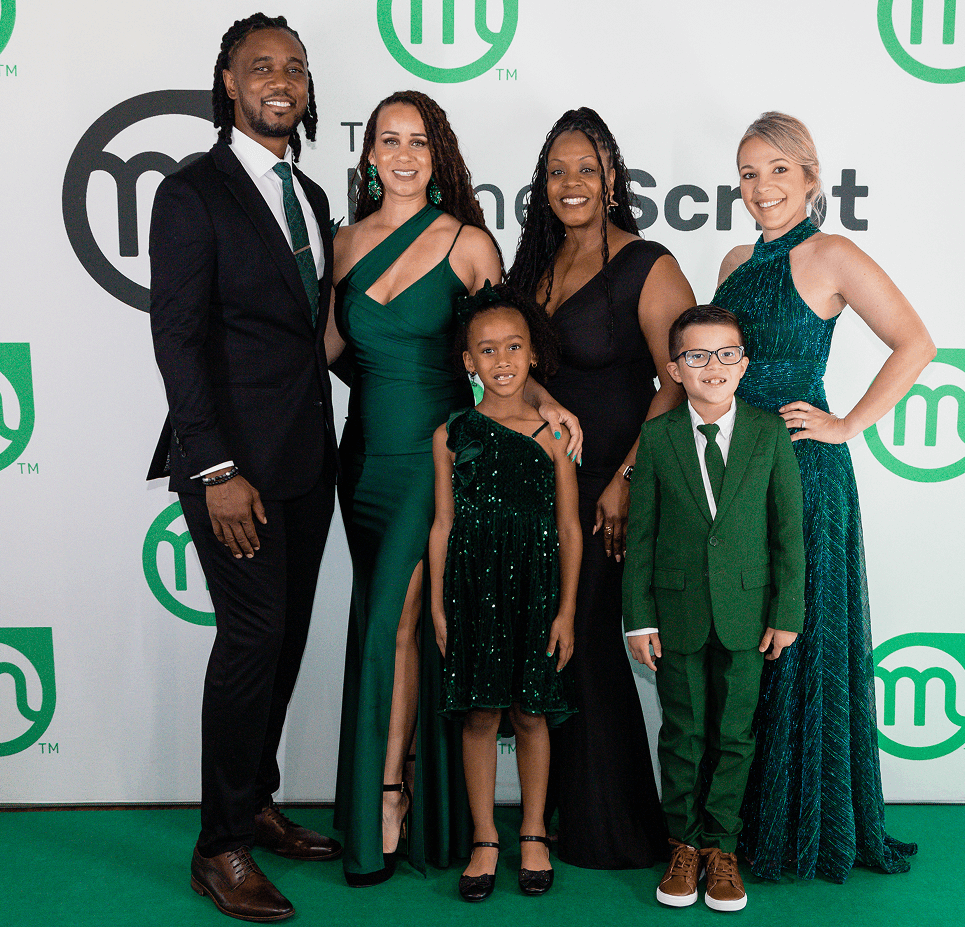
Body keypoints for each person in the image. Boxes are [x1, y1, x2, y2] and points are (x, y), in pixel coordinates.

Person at [325, 90, 582, 886]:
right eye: (388, 140)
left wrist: (546, 403)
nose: (403, 154)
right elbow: (330, 348)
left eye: (419, 142)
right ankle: (412, 801)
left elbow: (505, 344)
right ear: (369, 155)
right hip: (360, 457)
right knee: (381, 622)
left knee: (390, 631)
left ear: (438, 158)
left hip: (431, 463)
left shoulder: (469, 243)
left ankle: (391, 794)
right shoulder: (343, 243)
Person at [147, 13, 340, 922]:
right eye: (261, 66)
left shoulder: (312, 195)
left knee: (289, 634)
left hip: (307, 458)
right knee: (253, 634)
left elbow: (312, 337)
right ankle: (218, 844)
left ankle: (255, 799)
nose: (281, 79)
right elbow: (178, 341)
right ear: (228, 82)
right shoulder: (192, 192)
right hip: (233, 470)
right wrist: (216, 466)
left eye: (295, 68)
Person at [713, 111, 934, 882]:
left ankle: (801, 823)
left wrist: (847, 425)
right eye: (748, 172)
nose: (761, 186)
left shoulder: (833, 253)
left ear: (811, 177)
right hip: (738, 474)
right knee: (743, 642)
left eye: (777, 169)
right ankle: (731, 822)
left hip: (806, 475)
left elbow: (917, 342)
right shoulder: (734, 259)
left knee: (801, 639)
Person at [507, 107, 696, 869]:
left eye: (586, 167)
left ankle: (615, 828)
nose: (571, 182)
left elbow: (678, 381)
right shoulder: (535, 269)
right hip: (538, 487)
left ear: (612, 174)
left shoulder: (648, 263)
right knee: (551, 644)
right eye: (557, 171)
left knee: (583, 640)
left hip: (611, 489)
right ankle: (559, 810)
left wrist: (624, 478)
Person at [623, 305, 805, 912]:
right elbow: (641, 535)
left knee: (734, 734)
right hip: (675, 614)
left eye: (727, 354)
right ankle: (683, 846)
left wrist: (787, 612)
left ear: (744, 363)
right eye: (696, 356)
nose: (713, 366)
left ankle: (722, 850)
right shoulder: (657, 437)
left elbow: (788, 533)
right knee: (682, 732)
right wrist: (639, 618)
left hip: (749, 615)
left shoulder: (768, 433)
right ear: (675, 368)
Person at [428, 284, 582, 901]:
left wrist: (567, 609)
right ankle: (485, 838)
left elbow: (570, 527)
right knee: (481, 716)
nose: (502, 360)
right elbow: (442, 524)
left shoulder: (552, 434)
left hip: (538, 590)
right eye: (486, 350)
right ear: (469, 361)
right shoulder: (451, 434)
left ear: (533, 355)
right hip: (472, 588)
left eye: (514, 346)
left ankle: (535, 833)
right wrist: (439, 605)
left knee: (532, 711)